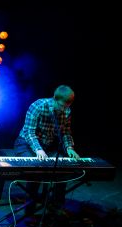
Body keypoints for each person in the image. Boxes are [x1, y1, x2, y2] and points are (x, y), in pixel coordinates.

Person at [14, 85, 80, 219]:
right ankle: (29, 210)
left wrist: (69, 148)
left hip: (47, 146)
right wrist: (38, 149)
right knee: (36, 170)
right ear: (55, 99)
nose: (64, 109)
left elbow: (66, 132)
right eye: (62, 106)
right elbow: (29, 131)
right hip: (26, 143)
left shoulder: (66, 111)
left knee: (62, 169)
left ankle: (56, 206)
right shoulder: (38, 106)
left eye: (67, 106)